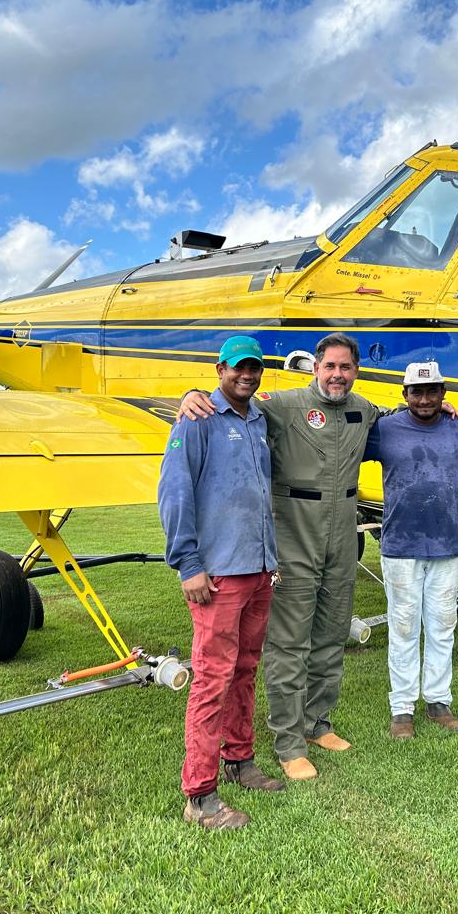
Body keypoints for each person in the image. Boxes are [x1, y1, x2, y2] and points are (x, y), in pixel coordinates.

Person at [179, 334, 381, 781]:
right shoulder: (283, 405)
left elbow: (398, 422)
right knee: (290, 642)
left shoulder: (363, 410)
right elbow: (234, 402)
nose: (337, 375)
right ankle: (289, 742)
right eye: (330, 366)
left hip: (342, 533)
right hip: (293, 534)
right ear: (316, 368)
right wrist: (191, 394)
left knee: (332, 634)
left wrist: (443, 409)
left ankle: (316, 723)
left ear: (356, 370)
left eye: (346, 367)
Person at [158, 334, 285, 832]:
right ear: (220, 370)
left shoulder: (257, 420)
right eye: (238, 367)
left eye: (254, 367)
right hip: (218, 575)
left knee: (245, 670)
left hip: (258, 569)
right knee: (213, 678)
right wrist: (188, 563)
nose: (247, 375)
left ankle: (239, 759)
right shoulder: (197, 420)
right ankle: (200, 795)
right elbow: (174, 492)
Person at [363, 361, 458, 739]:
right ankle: (402, 708)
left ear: (443, 393)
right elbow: (342, 436)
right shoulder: (385, 429)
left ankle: (438, 702)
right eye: (417, 392)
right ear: (404, 394)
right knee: (404, 626)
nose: (424, 399)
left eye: (432, 391)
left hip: (445, 544)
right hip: (399, 545)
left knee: (442, 625)